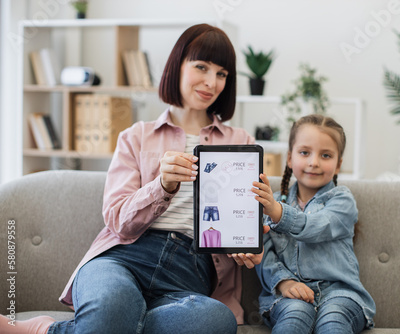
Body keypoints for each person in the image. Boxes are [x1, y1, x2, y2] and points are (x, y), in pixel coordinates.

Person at [1, 23, 266, 334]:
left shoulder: (241, 141)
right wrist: (161, 186)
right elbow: (117, 219)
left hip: (190, 273)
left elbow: (244, 220)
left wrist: (249, 245)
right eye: (201, 67)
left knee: (215, 321)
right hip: (124, 257)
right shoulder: (136, 136)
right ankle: (109, 317)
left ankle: (55, 329)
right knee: (115, 303)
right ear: (177, 66)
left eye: (222, 74)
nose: (211, 81)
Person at [251, 114, 376, 333]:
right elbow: (264, 254)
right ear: (290, 158)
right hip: (288, 295)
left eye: (325, 155)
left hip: (339, 293)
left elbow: (315, 226)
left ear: (338, 165)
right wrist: (284, 283)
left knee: (334, 321)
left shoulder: (342, 200)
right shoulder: (273, 202)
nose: (314, 162)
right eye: (304, 152)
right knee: (295, 316)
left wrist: (277, 212)